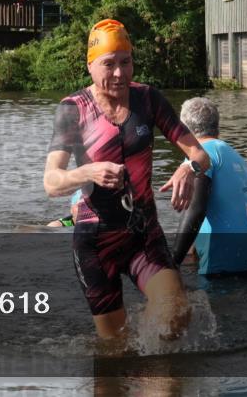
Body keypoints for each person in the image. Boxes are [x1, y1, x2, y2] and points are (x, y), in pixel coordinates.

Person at [43, 18, 211, 342]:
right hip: (96, 244)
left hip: (143, 234)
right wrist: (88, 172)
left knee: (176, 313)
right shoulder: (73, 109)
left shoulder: (148, 100)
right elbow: (52, 182)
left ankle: (156, 375)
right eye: (109, 64)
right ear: (91, 65)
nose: (119, 73)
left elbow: (200, 155)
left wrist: (187, 168)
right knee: (115, 351)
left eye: (126, 62)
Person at [171, 97, 247, 277]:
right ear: (217, 125)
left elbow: (196, 210)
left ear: (185, 130)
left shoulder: (202, 154)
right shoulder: (235, 156)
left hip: (223, 269)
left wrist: (171, 263)